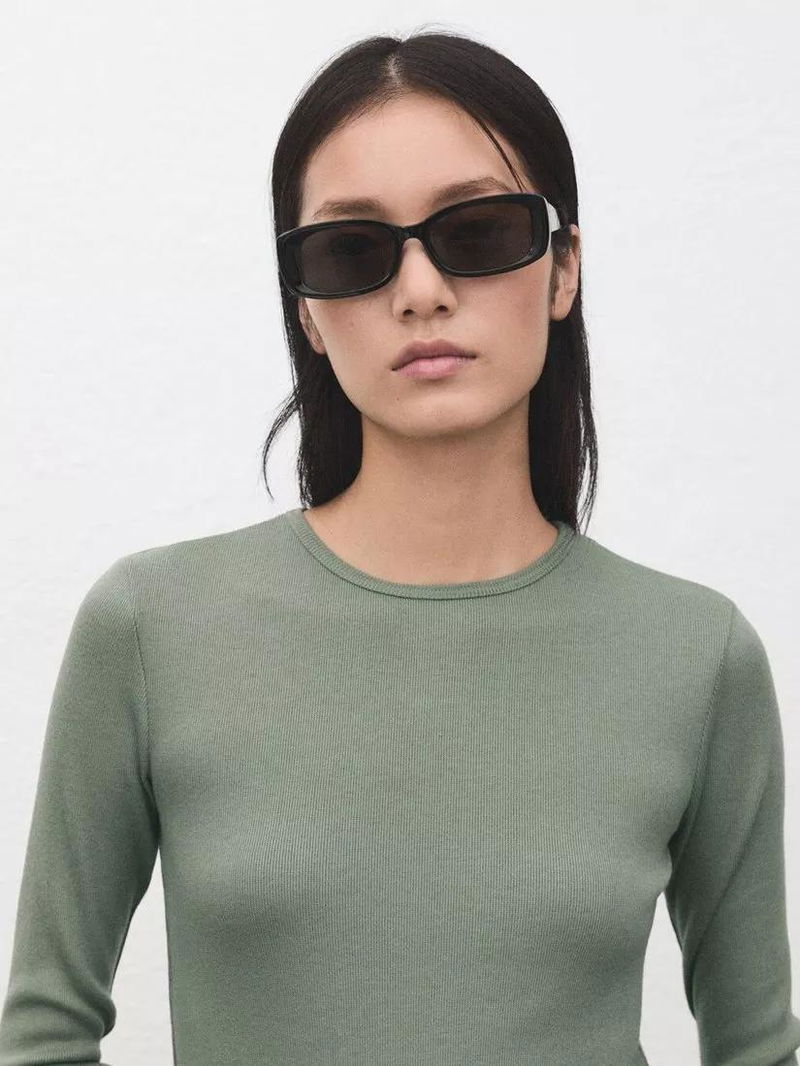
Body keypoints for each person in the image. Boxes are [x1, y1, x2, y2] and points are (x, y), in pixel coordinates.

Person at [1, 27, 798, 1066]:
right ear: (306, 310)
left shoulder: (695, 655)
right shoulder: (153, 628)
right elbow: (43, 1032)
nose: (420, 290)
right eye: (353, 250)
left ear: (563, 269)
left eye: (478, 230)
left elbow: (755, 1048)